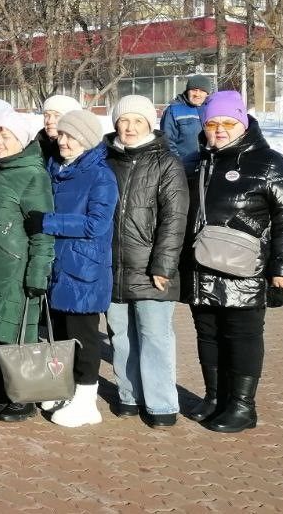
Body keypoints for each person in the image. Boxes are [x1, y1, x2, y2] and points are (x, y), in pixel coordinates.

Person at [182, 91, 283, 433]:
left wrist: (280, 266)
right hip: (201, 266)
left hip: (245, 270)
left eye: (228, 123)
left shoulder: (269, 163)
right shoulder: (197, 162)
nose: (220, 130)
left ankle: (242, 406)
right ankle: (215, 397)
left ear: (242, 123)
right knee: (207, 333)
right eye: (212, 123)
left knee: (242, 335)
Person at [103, 95, 187, 428]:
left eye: (138, 120)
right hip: (112, 266)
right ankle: (129, 395)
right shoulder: (105, 160)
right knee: (120, 335)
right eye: (124, 120)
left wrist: (162, 265)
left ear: (149, 123)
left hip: (152, 269)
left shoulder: (167, 162)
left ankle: (161, 404)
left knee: (154, 337)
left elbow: (175, 217)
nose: (130, 127)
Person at [0, 109, 56, 423]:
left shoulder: (33, 175)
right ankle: (7, 386)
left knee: (15, 333)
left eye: (6, 136)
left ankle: (24, 398)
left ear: (22, 140)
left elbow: (42, 229)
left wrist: (37, 272)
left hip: (14, 267)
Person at [32, 109, 117, 428]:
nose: (62, 140)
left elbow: (97, 224)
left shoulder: (101, 175)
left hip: (83, 267)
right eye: (62, 135)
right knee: (59, 334)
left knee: (83, 337)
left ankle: (86, 400)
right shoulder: (56, 167)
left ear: (86, 139)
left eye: (69, 136)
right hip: (56, 264)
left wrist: (47, 223)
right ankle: (63, 388)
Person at [161, 75, 214, 174]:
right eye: (194, 90)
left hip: (208, 167)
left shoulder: (211, 109)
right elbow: (167, 142)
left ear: (207, 93)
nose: (197, 94)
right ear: (187, 91)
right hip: (184, 169)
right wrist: (177, 165)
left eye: (202, 91)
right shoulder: (174, 110)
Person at [37, 94, 81, 165]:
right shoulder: (38, 144)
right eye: (46, 115)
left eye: (57, 116)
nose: (49, 121)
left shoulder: (82, 149)